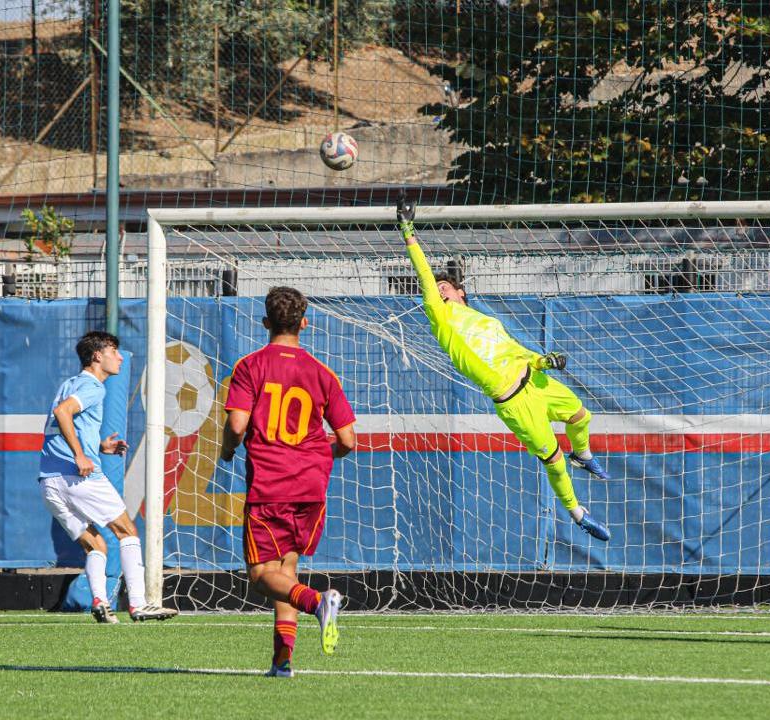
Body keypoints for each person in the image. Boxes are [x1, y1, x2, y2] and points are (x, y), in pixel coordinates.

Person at [396, 198, 610, 541]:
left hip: (536, 381)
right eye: (435, 290)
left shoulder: (488, 322)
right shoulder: (442, 319)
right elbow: (424, 273)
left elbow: (516, 352)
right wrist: (408, 232)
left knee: (581, 416)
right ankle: (577, 512)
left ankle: (583, 455)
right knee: (553, 460)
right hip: (514, 401)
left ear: (461, 292)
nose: (438, 290)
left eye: (445, 286)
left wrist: (545, 361)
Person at [221, 286, 356, 678]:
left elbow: (236, 424)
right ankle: (282, 662)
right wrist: (314, 456)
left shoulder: (251, 366)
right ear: (304, 323)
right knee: (286, 570)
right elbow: (347, 440)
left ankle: (318, 602)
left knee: (263, 577)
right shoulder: (321, 372)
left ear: (265, 323)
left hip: (270, 484)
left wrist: (228, 450)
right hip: (311, 486)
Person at [40, 331, 176, 623]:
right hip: (77, 477)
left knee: (96, 545)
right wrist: (80, 455)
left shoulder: (69, 384)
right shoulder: (93, 387)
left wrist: (98, 447)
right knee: (127, 531)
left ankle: (100, 602)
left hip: (50, 481)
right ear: (97, 356)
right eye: (114, 351)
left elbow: (63, 421)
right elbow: (62, 413)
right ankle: (139, 604)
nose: (119, 357)